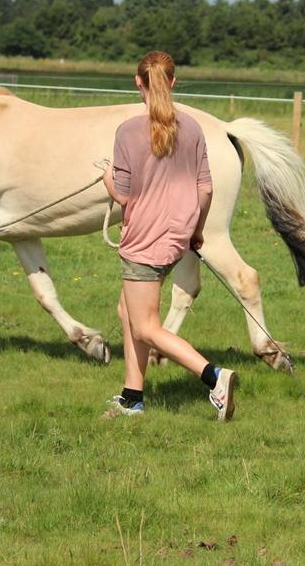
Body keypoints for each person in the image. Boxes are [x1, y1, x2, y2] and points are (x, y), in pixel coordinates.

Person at [101, 51, 236, 420]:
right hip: (177, 237)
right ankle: (132, 397)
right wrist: (196, 232)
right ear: (173, 81)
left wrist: (108, 179)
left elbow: (124, 196)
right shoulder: (193, 128)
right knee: (127, 310)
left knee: (145, 325)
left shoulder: (128, 131)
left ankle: (214, 377)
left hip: (144, 241)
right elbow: (205, 189)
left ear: (138, 83)